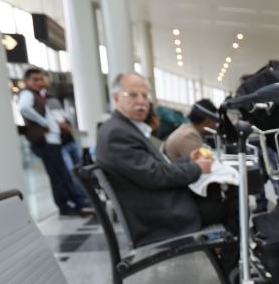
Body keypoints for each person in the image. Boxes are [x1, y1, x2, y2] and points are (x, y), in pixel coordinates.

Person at [96, 72, 237, 256]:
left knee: (223, 196)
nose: (141, 101)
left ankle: (228, 262)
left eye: (145, 96)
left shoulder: (125, 129)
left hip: (159, 207)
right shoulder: (118, 134)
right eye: (132, 95)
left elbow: (155, 168)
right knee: (233, 202)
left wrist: (188, 160)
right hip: (158, 218)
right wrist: (197, 168)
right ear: (116, 98)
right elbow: (156, 176)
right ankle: (231, 268)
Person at [18, 67, 91, 216]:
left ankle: (76, 203)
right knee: (57, 176)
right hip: (46, 142)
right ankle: (65, 206)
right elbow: (24, 108)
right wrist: (43, 122)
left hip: (53, 141)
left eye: (40, 79)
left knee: (62, 174)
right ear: (26, 81)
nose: (39, 82)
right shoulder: (27, 94)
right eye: (35, 79)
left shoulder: (40, 96)